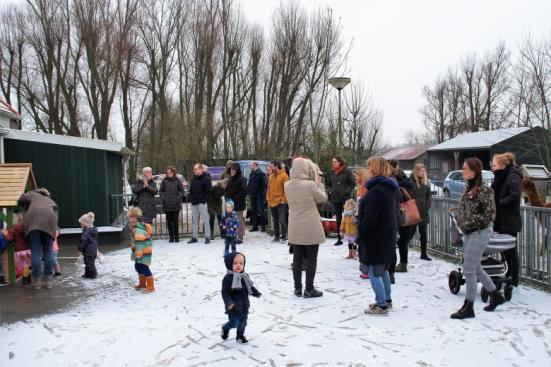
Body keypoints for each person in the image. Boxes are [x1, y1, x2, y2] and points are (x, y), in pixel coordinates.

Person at [451, 157, 505, 319]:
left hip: (480, 232)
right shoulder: (469, 188)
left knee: (468, 269)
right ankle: (496, 296)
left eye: (465, 168)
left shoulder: (484, 190)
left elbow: (490, 215)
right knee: (475, 268)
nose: (462, 171)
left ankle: (469, 306)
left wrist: (469, 222)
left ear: (474, 171)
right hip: (469, 231)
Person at [357, 157, 399, 316]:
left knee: (374, 271)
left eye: (368, 168)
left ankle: (381, 304)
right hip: (385, 234)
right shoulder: (387, 188)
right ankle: (387, 300)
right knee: (383, 270)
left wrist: (361, 227)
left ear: (373, 169)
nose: (367, 171)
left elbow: (371, 217)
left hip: (375, 236)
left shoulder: (376, 191)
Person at [285, 157, 327, 298]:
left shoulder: (287, 185)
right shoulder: (310, 185)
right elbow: (323, 198)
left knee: (297, 259)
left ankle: (297, 288)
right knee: (311, 259)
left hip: (295, 224)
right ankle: (309, 288)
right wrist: (319, 183)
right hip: (311, 225)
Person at [491, 152, 522, 287]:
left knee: (511, 250)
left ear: (503, 165)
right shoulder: (500, 177)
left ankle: (514, 279)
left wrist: (500, 203)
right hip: (500, 219)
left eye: (494, 164)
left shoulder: (512, 175)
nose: (492, 166)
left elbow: (515, 195)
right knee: (503, 249)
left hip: (509, 220)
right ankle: (508, 273)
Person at [17, 188, 59, 290]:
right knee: (48, 252)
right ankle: (48, 281)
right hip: (49, 224)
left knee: (35, 253)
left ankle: (37, 282)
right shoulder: (51, 201)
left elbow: (20, 200)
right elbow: (56, 217)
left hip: (33, 225)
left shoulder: (32, 195)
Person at [221, 252, 262, 344]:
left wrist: (256, 292)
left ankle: (240, 336)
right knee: (234, 323)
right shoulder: (228, 278)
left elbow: (249, 287)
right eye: (235, 263)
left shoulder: (244, 276)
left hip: (244, 305)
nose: (238, 265)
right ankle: (225, 328)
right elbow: (225, 292)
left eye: (241, 263)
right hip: (233, 307)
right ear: (229, 264)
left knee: (243, 323)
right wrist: (229, 302)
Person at [392, 164, 416, 273]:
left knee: (402, 241)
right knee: (404, 240)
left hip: (403, 216)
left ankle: (403, 264)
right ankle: (403, 263)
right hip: (411, 215)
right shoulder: (409, 184)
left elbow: (400, 201)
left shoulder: (399, 188)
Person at [328, 156, 355, 246]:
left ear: (340, 162)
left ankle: (350, 237)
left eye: (335, 161)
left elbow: (353, 183)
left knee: (348, 218)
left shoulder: (347, 171)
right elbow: (329, 184)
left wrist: (346, 191)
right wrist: (330, 190)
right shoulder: (332, 172)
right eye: (333, 162)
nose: (333, 163)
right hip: (335, 198)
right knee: (338, 218)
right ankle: (339, 238)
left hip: (346, 199)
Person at [128, 206, 155, 293]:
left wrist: (138, 254)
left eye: (133, 217)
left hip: (142, 252)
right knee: (138, 266)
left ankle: (151, 287)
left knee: (144, 267)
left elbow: (140, 243)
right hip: (139, 252)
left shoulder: (138, 229)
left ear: (137, 218)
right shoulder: (135, 227)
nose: (131, 218)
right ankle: (142, 283)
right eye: (130, 216)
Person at [410, 163, 433, 261]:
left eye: (424, 171)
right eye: (421, 171)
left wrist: (427, 206)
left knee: (423, 234)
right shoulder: (410, 182)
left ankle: (423, 253)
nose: (423, 173)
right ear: (416, 171)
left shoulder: (425, 182)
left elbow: (429, 196)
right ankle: (403, 251)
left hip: (423, 212)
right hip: (413, 212)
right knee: (410, 233)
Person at [2, 213, 32, 285]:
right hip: (28, 249)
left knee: (25, 266)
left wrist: (5, 234)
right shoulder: (27, 227)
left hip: (19, 250)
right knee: (27, 265)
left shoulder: (14, 229)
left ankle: (25, 281)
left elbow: (9, 239)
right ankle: (28, 280)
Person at [188, 163, 212, 244]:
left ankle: (207, 237)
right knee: (194, 220)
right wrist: (191, 199)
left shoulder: (206, 178)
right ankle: (194, 237)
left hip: (202, 202)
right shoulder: (193, 179)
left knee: (205, 220)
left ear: (201, 169)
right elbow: (191, 190)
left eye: (196, 169)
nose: (194, 170)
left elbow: (209, 191)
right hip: (194, 202)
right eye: (194, 169)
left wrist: (204, 200)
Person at [159, 166, 184, 243]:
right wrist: (163, 198)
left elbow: (182, 191)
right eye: (168, 172)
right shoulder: (164, 181)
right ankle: (171, 237)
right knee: (169, 222)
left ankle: (177, 237)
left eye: (170, 172)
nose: (169, 174)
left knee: (175, 221)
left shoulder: (178, 180)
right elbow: (160, 191)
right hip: (167, 204)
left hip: (176, 204)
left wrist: (178, 198)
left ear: (173, 173)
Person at [266, 161, 289, 243]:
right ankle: (276, 236)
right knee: (275, 220)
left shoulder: (284, 175)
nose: (270, 168)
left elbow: (287, 189)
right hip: (272, 202)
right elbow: (268, 189)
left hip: (281, 202)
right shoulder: (270, 176)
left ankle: (284, 237)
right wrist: (268, 198)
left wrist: (283, 200)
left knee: (282, 220)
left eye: (272, 166)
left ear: (276, 166)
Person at [225, 163, 248, 244]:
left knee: (239, 220)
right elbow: (227, 190)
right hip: (230, 204)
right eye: (231, 169)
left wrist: (236, 198)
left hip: (238, 204)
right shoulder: (230, 179)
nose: (231, 171)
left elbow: (244, 191)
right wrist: (227, 198)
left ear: (237, 170)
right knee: (230, 220)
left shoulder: (242, 179)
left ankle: (240, 238)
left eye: (233, 169)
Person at [247, 162, 267, 232]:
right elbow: (250, 184)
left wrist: (260, 194)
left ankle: (263, 227)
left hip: (259, 196)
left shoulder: (261, 174)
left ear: (255, 165)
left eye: (251, 165)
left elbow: (264, 186)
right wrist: (249, 192)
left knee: (261, 212)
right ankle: (255, 226)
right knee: (253, 211)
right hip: (252, 195)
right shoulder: (251, 173)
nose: (250, 166)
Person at [78, 212, 98, 279]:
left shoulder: (86, 231)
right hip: (93, 248)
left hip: (88, 250)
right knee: (88, 262)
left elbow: (83, 240)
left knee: (89, 263)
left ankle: (93, 274)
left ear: (85, 224)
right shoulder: (94, 230)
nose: (80, 224)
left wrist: (80, 248)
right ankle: (87, 273)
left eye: (81, 223)